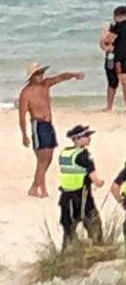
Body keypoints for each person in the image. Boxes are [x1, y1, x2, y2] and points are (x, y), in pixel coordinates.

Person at [18, 63, 86, 197]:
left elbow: (60, 77)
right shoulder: (26, 93)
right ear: (31, 76)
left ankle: (39, 188)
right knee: (42, 159)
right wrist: (24, 135)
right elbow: (22, 115)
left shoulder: (45, 85)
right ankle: (35, 187)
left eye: (41, 73)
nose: (40, 76)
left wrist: (73, 75)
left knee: (47, 159)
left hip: (49, 125)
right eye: (37, 74)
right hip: (38, 125)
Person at [58, 124, 104, 250]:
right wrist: (100, 183)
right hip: (82, 197)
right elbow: (95, 178)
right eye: (86, 136)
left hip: (66, 197)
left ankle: (66, 253)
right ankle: (97, 251)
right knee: (94, 226)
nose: (89, 138)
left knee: (69, 230)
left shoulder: (65, 154)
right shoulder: (83, 155)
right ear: (77, 139)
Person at [100, 18, 126, 112]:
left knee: (115, 82)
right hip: (125, 57)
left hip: (115, 57)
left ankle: (111, 106)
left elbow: (103, 43)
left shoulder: (112, 29)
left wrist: (108, 47)